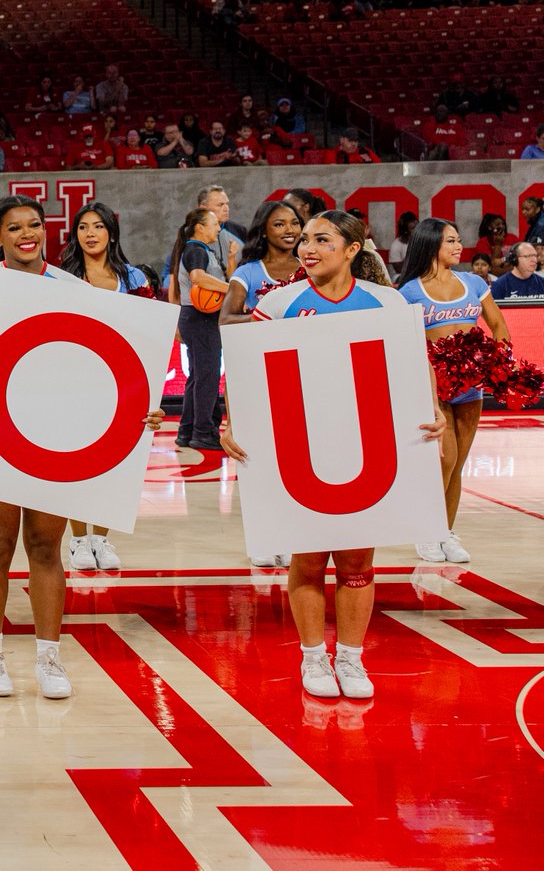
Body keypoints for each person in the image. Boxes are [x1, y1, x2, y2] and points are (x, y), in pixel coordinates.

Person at [0, 195, 165, 700]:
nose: (27, 234)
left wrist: (140, 408)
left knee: (46, 547)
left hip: (57, 429)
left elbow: (103, 356)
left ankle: (49, 657)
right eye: (14, 228)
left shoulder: (70, 286)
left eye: (34, 225)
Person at [223, 211, 445, 699]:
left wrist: (432, 409)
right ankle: (312, 658)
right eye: (305, 239)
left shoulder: (385, 302)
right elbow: (247, 371)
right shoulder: (278, 304)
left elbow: (414, 364)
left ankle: (350, 658)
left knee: (357, 558)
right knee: (307, 556)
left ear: (353, 248)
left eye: (322, 239)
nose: (309, 247)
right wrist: (232, 420)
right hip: (299, 445)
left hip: (365, 442)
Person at [397, 218, 509, 564]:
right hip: (434, 385)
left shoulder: (473, 282)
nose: (459, 246)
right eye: (450, 241)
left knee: (458, 462)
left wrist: (500, 359)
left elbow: (497, 323)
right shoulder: (410, 292)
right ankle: (426, 532)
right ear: (431, 244)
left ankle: (445, 531)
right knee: (442, 461)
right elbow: (404, 341)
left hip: (470, 383)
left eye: (458, 240)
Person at [59, 202, 150, 572]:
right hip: (75, 382)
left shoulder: (134, 279)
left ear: (111, 232)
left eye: (98, 226)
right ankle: (79, 539)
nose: (91, 233)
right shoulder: (60, 277)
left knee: (115, 464)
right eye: (83, 227)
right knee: (77, 464)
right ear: (75, 234)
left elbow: (148, 333)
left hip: (123, 384)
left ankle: (103, 538)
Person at [218, 199, 302, 567]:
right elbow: (226, 320)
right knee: (256, 457)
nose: (289, 230)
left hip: (299, 373)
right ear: (264, 230)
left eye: (295, 223)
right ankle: (262, 536)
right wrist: (267, 320)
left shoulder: (309, 269)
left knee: (295, 458)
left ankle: (288, 532)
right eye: (280, 224)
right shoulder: (249, 273)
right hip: (254, 373)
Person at [173, 207, 229, 451]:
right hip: (200, 317)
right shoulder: (195, 249)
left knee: (197, 376)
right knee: (207, 376)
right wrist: (231, 289)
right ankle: (203, 432)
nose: (218, 228)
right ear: (200, 227)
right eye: (214, 223)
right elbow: (198, 277)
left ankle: (187, 430)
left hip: (194, 317)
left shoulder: (200, 249)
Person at [198, 184, 245, 277]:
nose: (226, 208)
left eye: (226, 203)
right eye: (220, 205)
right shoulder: (192, 233)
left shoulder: (240, 230)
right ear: (203, 208)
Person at [474, 212, 517, 276]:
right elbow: (491, 267)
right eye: (497, 224)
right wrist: (498, 244)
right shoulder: (483, 242)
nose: (501, 226)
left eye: (503, 224)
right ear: (489, 227)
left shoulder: (512, 238)